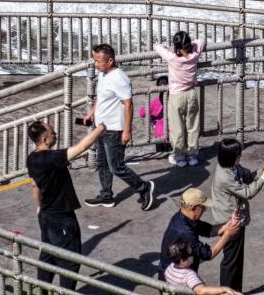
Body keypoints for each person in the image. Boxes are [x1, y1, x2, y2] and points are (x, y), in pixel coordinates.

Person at [26, 119, 107, 290]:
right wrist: (100, 128)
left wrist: (39, 206)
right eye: (52, 132)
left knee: (48, 255)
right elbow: (81, 148)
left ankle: (42, 290)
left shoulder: (32, 158)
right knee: (70, 261)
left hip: (46, 215)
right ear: (45, 140)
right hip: (61, 217)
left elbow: (35, 185)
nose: (56, 134)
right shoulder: (51, 158)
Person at [83, 43, 156, 210]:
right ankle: (106, 195)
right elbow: (100, 97)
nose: (95, 64)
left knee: (116, 166)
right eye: (94, 60)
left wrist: (127, 130)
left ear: (110, 61)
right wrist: (92, 113)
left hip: (115, 129)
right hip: (101, 127)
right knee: (102, 163)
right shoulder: (102, 74)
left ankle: (144, 188)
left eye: (98, 61)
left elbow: (128, 104)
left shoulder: (119, 78)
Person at [207, 138, 264, 291]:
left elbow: (248, 177)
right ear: (231, 157)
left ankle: (235, 290)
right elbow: (247, 192)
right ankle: (227, 291)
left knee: (236, 260)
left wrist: (261, 170)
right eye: (238, 155)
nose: (240, 157)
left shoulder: (232, 167)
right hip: (229, 222)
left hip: (235, 218)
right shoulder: (225, 176)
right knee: (231, 261)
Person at [159, 188, 241, 275]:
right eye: (203, 208)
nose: (204, 211)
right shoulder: (185, 232)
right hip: (175, 280)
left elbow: (210, 230)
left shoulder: (182, 217)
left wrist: (229, 224)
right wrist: (228, 235)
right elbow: (209, 254)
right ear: (194, 208)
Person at [154, 31, 206, 167]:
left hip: (176, 96)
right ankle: (192, 155)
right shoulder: (194, 55)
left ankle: (179, 156)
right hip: (191, 94)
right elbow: (201, 41)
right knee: (192, 126)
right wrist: (191, 45)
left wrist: (168, 45)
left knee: (177, 128)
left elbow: (157, 47)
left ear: (176, 46)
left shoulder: (172, 58)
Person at [164, 240, 242, 295]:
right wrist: (224, 289)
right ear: (182, 260)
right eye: (191, 253)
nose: (193, 254)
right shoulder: (188, 275)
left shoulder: (170, 268)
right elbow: (200, 291)